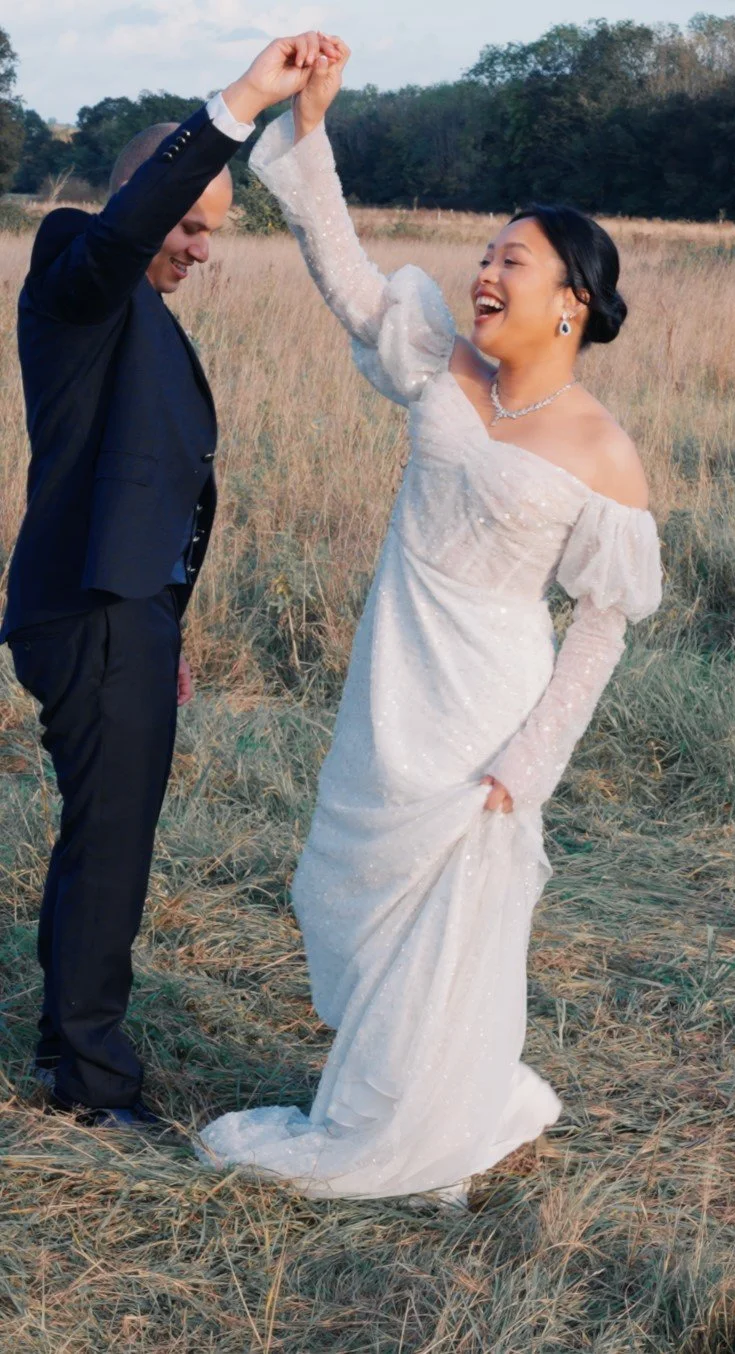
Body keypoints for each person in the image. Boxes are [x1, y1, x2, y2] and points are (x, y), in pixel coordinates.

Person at [197, 37, 663, 1205]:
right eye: (485, 253)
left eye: (513, 260)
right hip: (391, 676)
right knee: (354, 890)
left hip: (487, 704)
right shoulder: (442, 368)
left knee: (451, 916)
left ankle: (406, 1119)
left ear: (571, 304)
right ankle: (406, 1081)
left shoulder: (603, 452)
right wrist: (311, 124)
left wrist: (529, 759)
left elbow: (600, 626)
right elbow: (345, 271)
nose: (484, 271)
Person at [3, 31, 339, 1128]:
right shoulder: (78, 268)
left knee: (100, 837)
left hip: (126, 615)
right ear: (140, 199)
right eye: (187, 222)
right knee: (111, 852)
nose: (198, 249)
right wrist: (243, 102)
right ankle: (93, 1084)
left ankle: (67, 1048)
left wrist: (167, 627)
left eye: (213, 232)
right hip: (91, 613)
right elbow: (126, 230)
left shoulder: (133, 317)